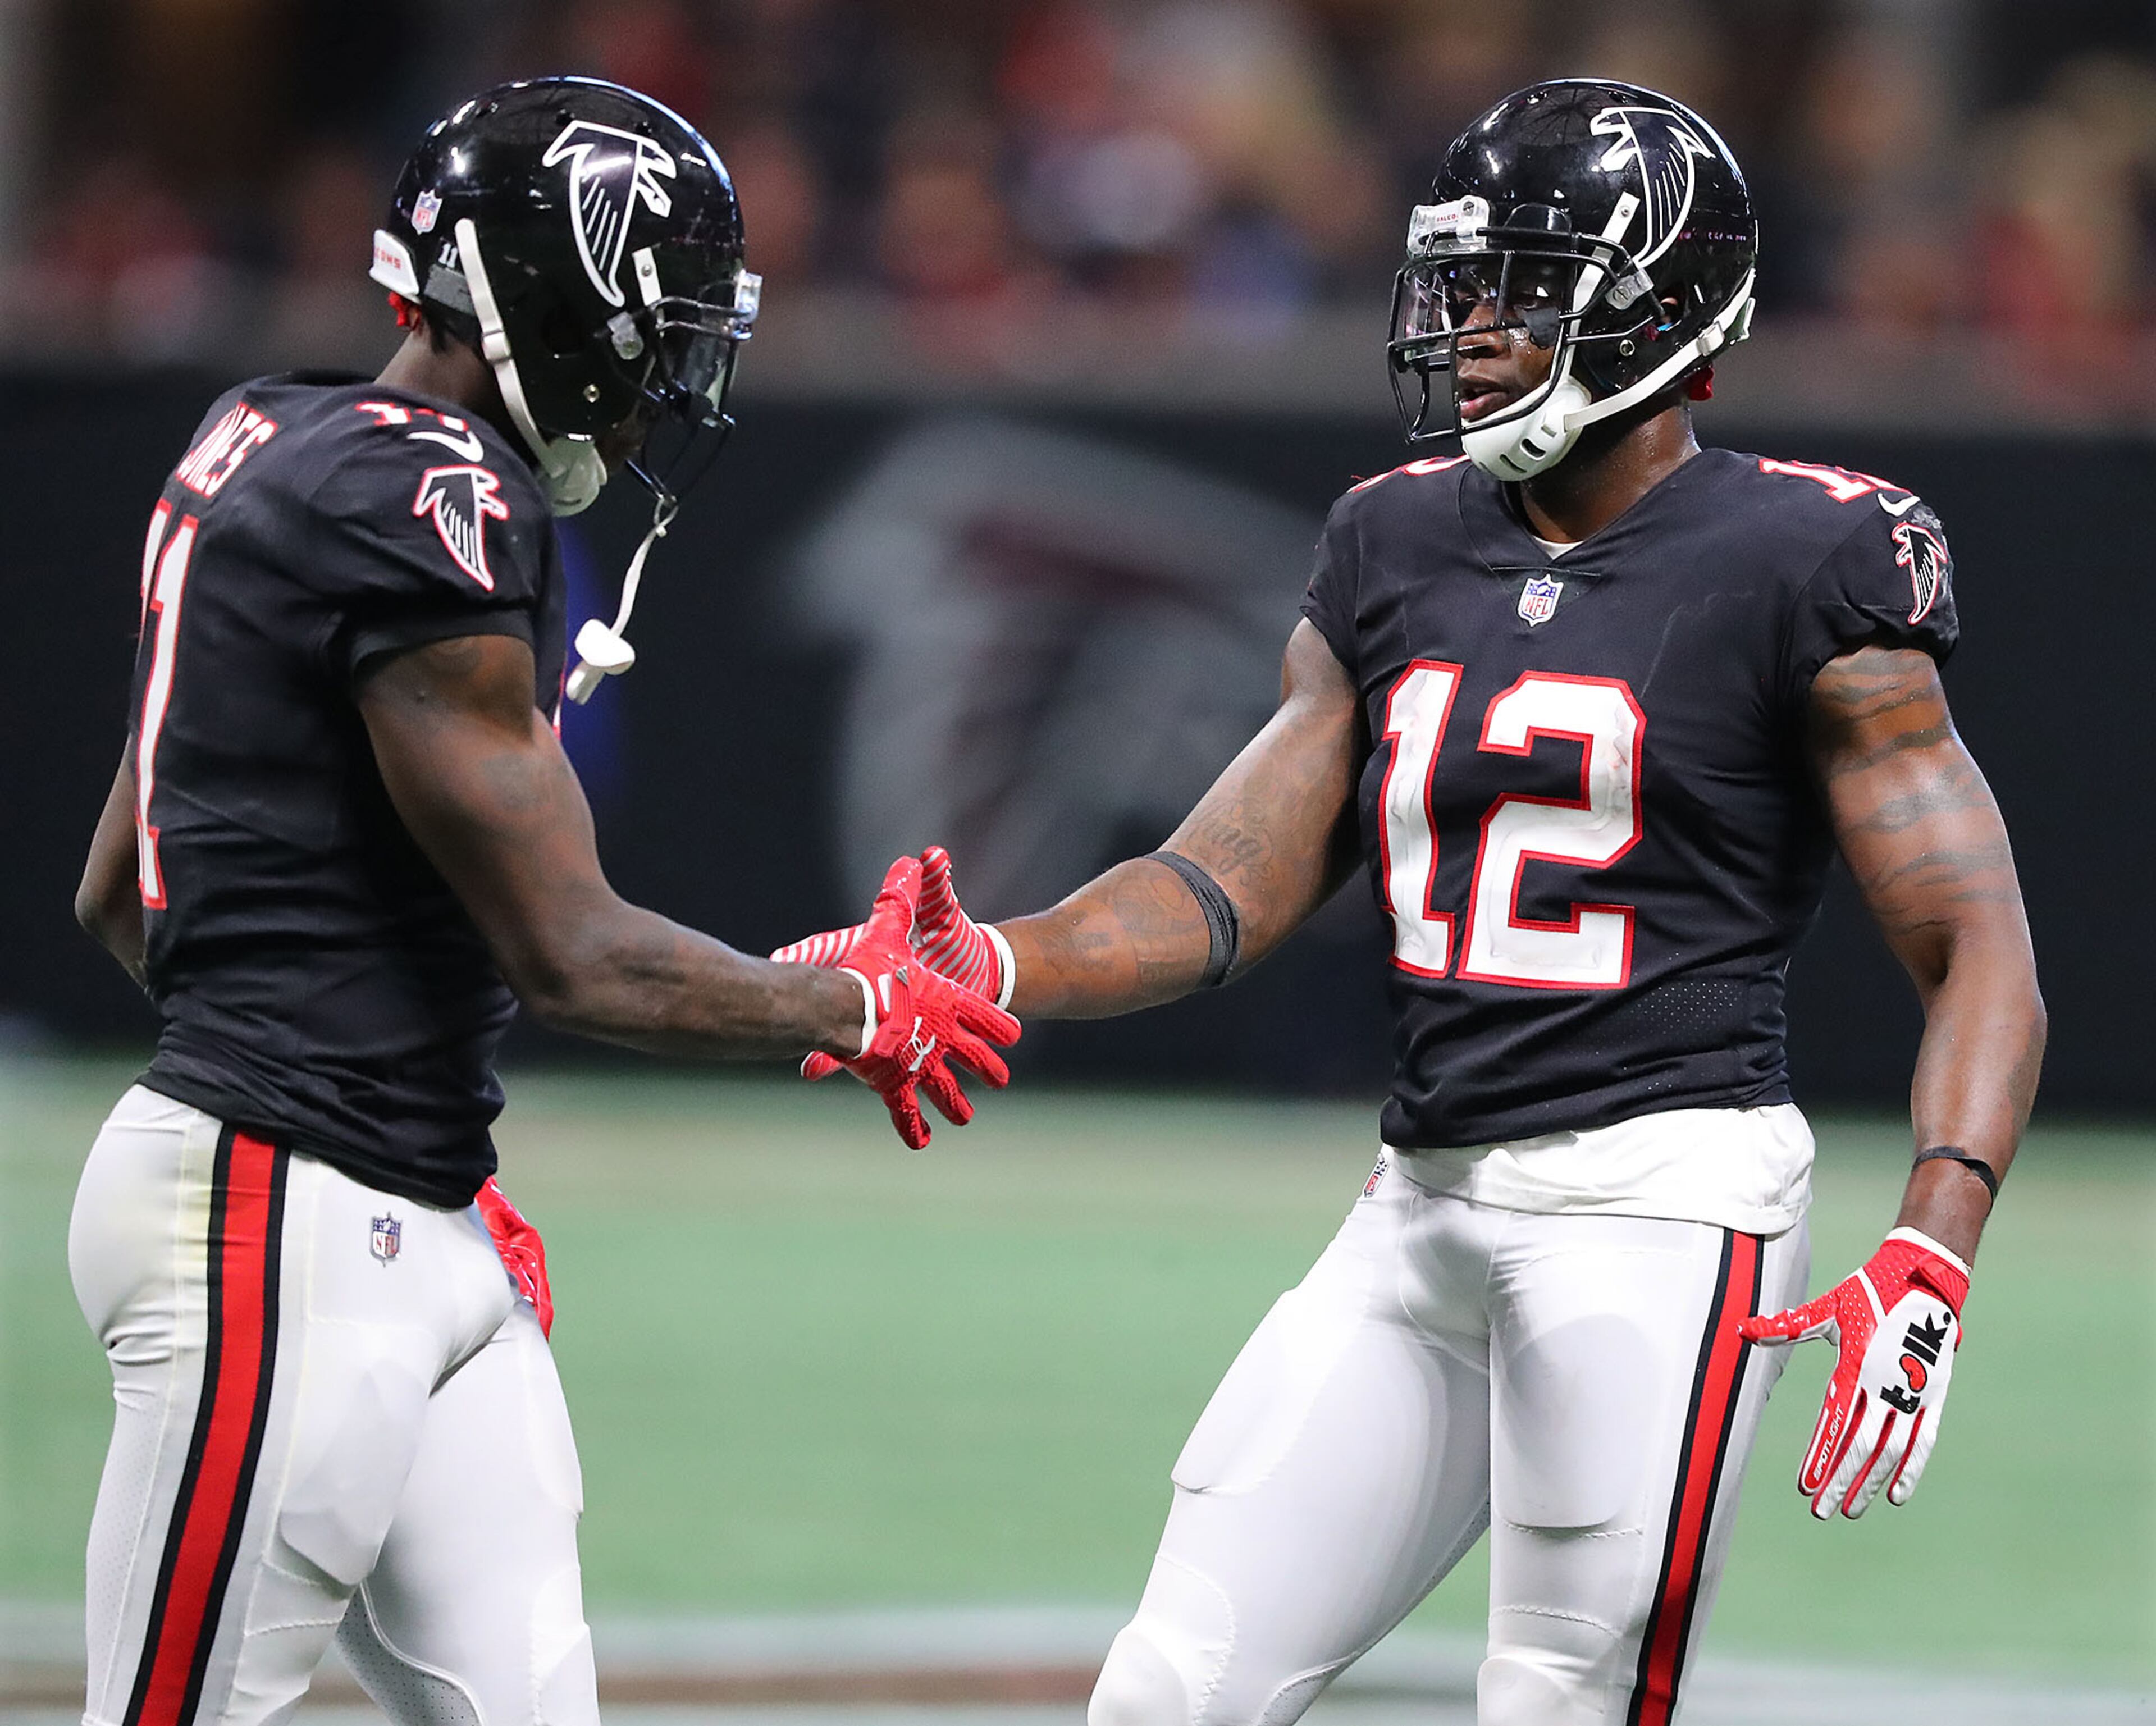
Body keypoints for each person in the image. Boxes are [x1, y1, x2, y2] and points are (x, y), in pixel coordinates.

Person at [777, 80, 2044, 1726]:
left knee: (1554, 1705)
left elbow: (1980, 949)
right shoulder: (1395, 537)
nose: (1470, 327)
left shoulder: (1809, 557)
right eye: (1461, 284)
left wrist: (1931, 1256)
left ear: (1654, 302)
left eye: (1521, 283)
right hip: (1419, 1199)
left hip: (1658, 1209)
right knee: (1166, 1691)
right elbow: (1222, 879)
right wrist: (996, 956)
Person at [68, 76, 1016, 1726]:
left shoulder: (273, 438)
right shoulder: (425, 494)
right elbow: (573, 954)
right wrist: (854, 1000)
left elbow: (118, 893)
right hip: (275, 1225)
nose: (667, 379)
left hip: (394, 1209)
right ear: (554, 288)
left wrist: (391, 1113)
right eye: (655, 325)